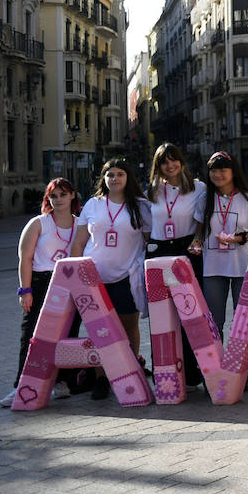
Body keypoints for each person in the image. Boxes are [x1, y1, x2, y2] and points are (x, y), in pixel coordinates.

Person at [70, 158, 152, 400]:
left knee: (129, 327)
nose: (114, 178)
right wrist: (76, 273)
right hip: (95, 279)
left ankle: (130, 371)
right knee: (99, 331)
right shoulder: (92, 205)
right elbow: (79, 242)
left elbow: (150, 241)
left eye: (119, 174)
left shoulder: (140, 206)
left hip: (128, 276)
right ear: (104, 179)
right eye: (110, 175)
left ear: (128, 178)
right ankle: (101, 378)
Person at [2, 178, 82, 407]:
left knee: (67, 335)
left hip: (69, 284)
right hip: (40, 282)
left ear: (72, 196)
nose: (58, 200)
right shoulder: (39, 223)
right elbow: (24, 258)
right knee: (31, 336)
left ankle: (62, 382)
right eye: (53, 196)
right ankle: (20, 386)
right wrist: (25, 290)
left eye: (63, 195)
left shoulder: (80, 224)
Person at [189, 152, 248, 348]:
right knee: (213, 321)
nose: (218, 175)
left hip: (244, 267)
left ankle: (244, 373)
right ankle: (216, 369)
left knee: (244, 322)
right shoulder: (205, 199)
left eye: (223, 170)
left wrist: (241, 238)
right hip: (213, 267)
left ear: (233, 172)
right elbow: (199, 230)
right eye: (214, 171)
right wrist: (196, 242)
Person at [147, 143, 207, 387]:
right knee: (161, 315)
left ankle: (192, 372)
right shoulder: (151, 191)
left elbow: (202, 222)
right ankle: (165, 369)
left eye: (174, 160)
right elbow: (144, 225)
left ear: (181, 162)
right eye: (164, 162)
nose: (169, 166)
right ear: (158, 166)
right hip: (159, 251)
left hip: (187, 250)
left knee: (190, 312)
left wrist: (197, 242)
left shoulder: (198, 188)